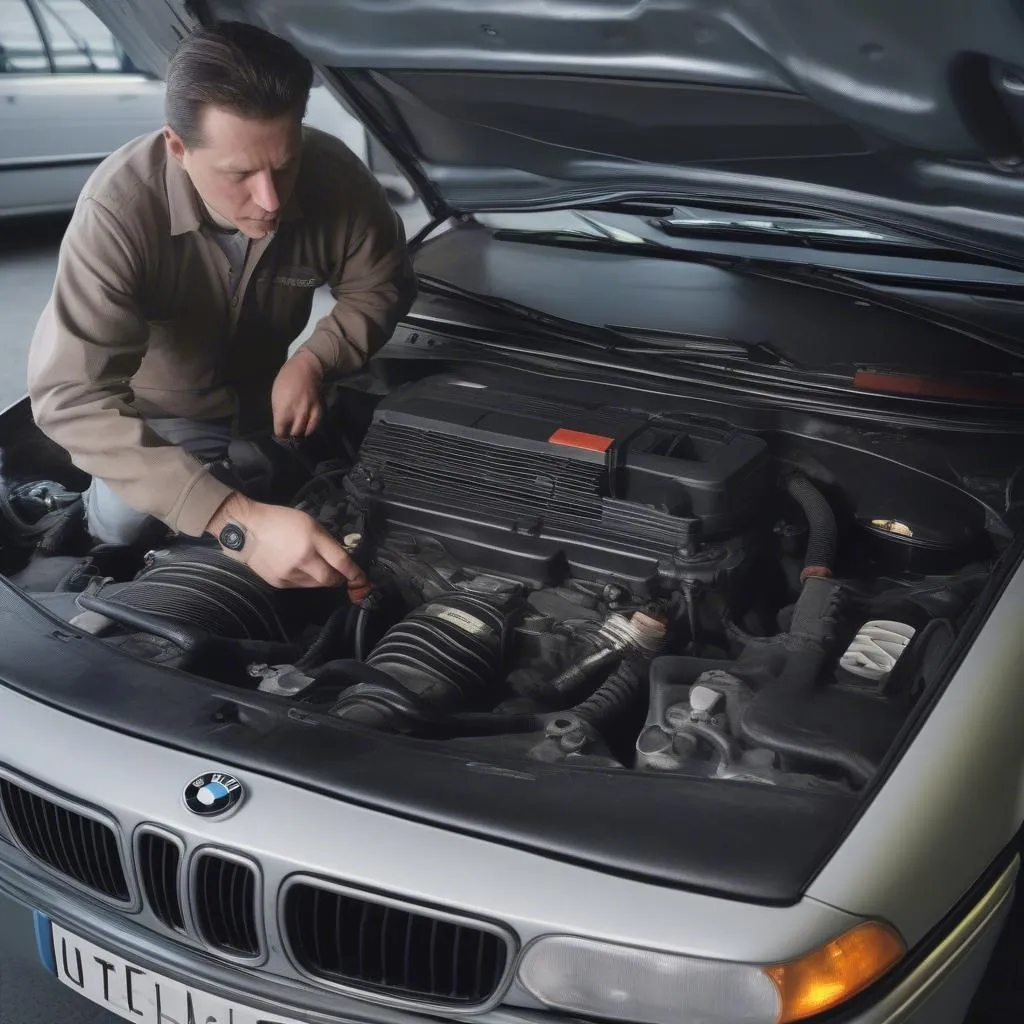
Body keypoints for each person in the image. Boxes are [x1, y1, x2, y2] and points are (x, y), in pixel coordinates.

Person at [26, 22, 416, 599]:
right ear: (177, 147)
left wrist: (315, 359)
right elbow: (70, 397)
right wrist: (240, 524)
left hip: (271, 414)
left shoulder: (337, 179)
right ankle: (81, 526)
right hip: (155, 421)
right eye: (239, 175)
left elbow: (381, 284)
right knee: (123, 524)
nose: (272, 200)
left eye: (284, 165)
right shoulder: (119, 210)